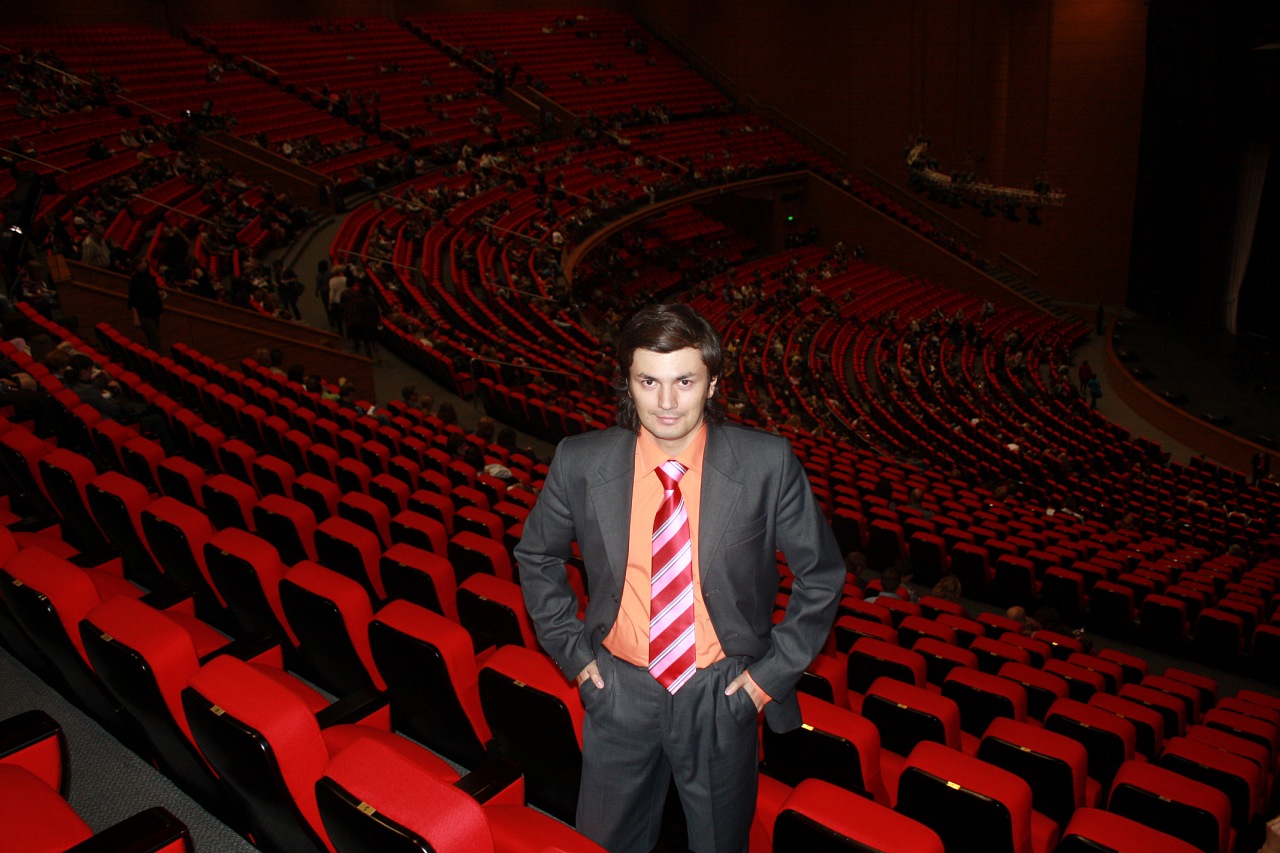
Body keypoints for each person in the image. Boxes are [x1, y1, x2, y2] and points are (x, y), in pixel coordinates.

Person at [517, 303, 843, 853]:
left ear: (712, 383)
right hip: (617, 690)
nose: (666, 402)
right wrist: (574, 655)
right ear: (628, 383)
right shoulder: (580, 461)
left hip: (721, 694)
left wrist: (765, 681)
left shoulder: (767, 463)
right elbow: (536, 557)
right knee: (604, 843)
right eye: (649, 381)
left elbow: (822, 575)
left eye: (684, 381)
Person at [127, 259, 164, 352]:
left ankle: (154, 356)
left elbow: (153, 292)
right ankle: (158, 358)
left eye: (144, 262)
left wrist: (160, 294)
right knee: (155, 338)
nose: (143, 265)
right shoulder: (135, 280)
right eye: (140, 263)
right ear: (135, 266)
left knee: (154, 338)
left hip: (154, 311)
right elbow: (132, 300)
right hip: (143, 314)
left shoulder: (150, 278)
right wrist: (136, 318)